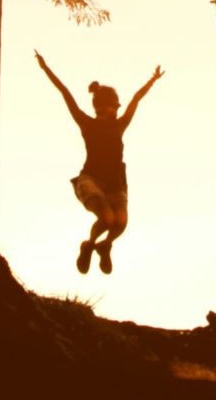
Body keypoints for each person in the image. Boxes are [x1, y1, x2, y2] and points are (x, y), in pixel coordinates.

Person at [35, 51, 164, 275]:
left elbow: (136, 99)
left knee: (121, 222)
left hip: (116, 184)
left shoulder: (120, 124)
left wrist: (151, 81)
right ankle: (89, 245)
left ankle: (104, 246)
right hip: (91, 180)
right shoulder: (87, 124)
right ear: (106, 107)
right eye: (114, 107)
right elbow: (65, 94)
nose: (117, 111)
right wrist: (46, 69)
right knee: (107, 217)